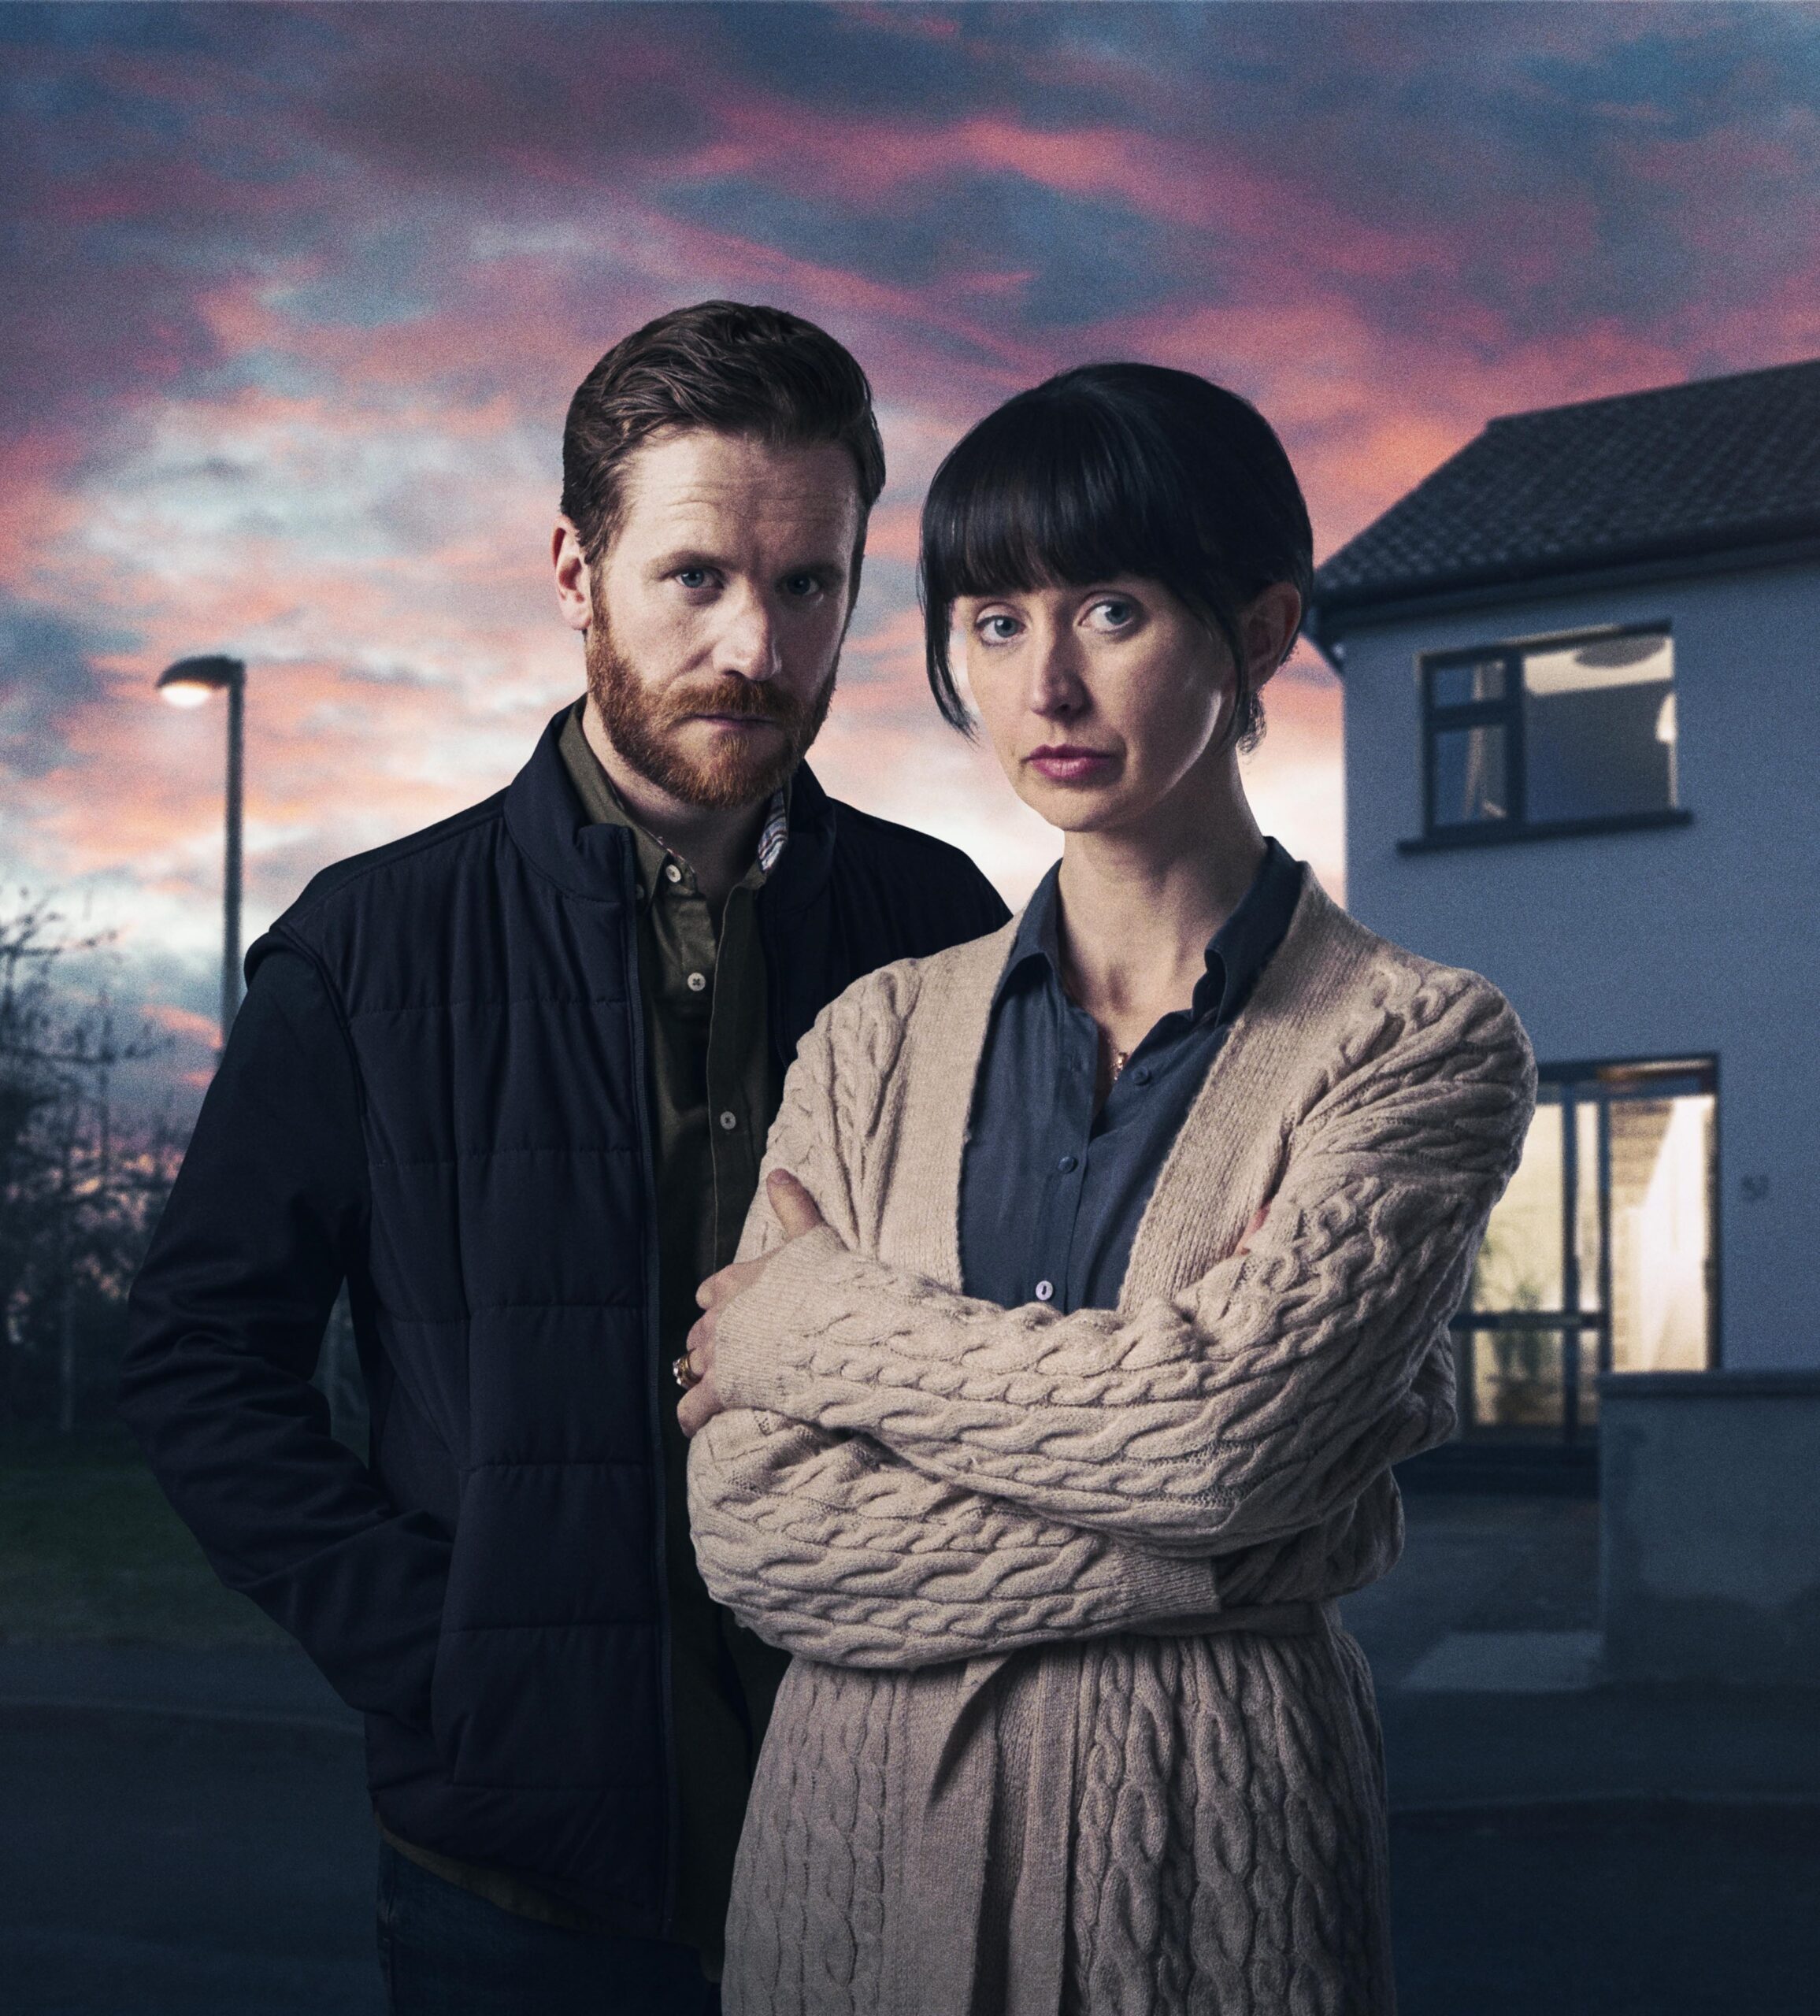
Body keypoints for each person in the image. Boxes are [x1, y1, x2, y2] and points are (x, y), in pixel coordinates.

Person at [119, 301, 1009, 2015]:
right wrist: (443, 1658)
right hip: (518, 1891)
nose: (757, 641)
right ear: (572, 570)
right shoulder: (370, 949)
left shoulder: (939, 929)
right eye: (695, 575)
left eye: (810, 581)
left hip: (894, 1844)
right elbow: (196, 1358)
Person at [678, 362, 1536, 2015]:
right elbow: (754, 1529)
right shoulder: (870, 1035)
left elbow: (1219, 1437)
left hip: (1206, 1840)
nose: (1046, 680)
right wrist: (1229, 1544)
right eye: (992, 621)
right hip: (848, 1841)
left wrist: (819, 1323)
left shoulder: (1413, 1039)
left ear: (1261, 627)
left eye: (1115, 607)